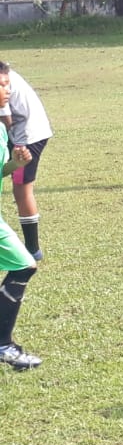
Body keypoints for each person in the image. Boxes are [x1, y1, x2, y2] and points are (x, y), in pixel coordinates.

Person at [0, 67, 44, 370]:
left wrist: (13, 163)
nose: (7, 91)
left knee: (23, 265)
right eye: (1, 86)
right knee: (24, 264)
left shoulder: (1, 129)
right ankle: (3, 345)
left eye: (7, 84)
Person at [0, 65, 52, 260]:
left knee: (21, 189)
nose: (7, 89)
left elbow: (6, 119)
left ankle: (32, 249)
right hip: (22, 133)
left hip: (25, 139)